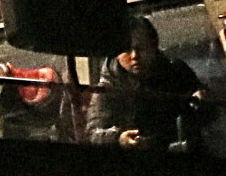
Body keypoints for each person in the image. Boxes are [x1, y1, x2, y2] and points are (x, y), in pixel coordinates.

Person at [86, 16, 206, 150]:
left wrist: (202, 101)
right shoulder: (109, 87)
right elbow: (93, 134)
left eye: (141, 48)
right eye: (126, 49)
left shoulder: (176, 72)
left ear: (153, 46)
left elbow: (208, 116)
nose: (134, 56)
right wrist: (119, 138)